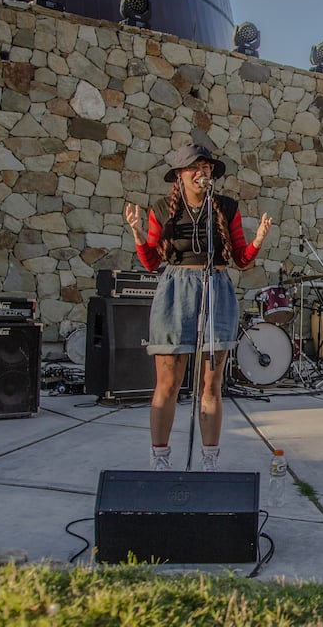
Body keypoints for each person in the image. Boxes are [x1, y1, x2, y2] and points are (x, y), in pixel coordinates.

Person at [124, 143, 272, 471]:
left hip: (215, 288)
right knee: (168, 382)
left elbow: (240, 261)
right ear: (179, 175)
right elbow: (151, 262)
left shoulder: (225, 207)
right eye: (194, 167)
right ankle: (160, 459)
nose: (201, 172)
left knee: (211, 383)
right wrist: (137, 234)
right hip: (175, 291)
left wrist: (258, 241)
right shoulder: (162, 210)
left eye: (206, 167)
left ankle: (209, 460)